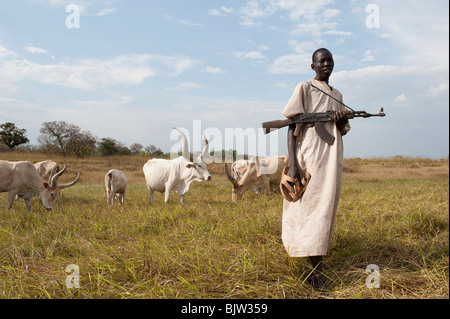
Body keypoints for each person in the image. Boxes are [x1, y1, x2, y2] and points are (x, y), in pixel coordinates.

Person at [281, 48, 350, 291]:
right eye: (321, 60)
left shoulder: (338, 94)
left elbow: (341, 131)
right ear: (313, 66)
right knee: (307, 207)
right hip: (309, 154)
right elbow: (292, 126)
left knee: (324, 209)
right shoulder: (305, 87)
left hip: (331, 158)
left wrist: (340, 122)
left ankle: (315, 263)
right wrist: (295, 162)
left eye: (329, 59)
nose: (326, 64)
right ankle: (314, 270)